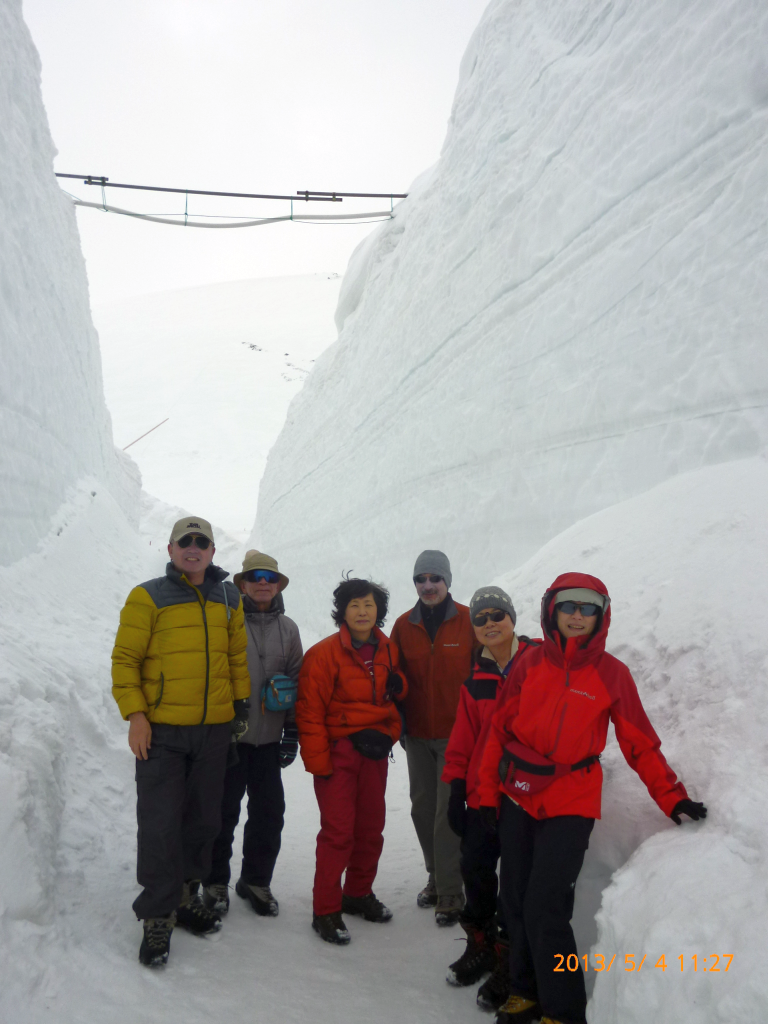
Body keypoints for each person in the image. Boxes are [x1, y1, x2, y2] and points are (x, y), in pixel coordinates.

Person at [477, 573, 707, 1024]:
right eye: (569, 606)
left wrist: (672, 798)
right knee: (516, 898)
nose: (577, 616)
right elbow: (498, 732)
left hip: (571, 800)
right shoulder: (528, 664)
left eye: (588, 608)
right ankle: (525, 991)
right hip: (519, 794)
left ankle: (563, 1011)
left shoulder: (611, 674)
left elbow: (639, 741)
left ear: (601, 615)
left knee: (545, 902)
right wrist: (485, 795)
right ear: (552, 611)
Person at [111, 516, 250, 967]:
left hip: (212, 732)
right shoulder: (147, 595)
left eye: (202, 541)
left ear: (212, 551)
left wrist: (240, 706)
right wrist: (136, 715)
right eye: (185, 541)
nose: (193, 548)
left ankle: (186, 895)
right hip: (164, 732)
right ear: (171, 549)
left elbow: (235, 657)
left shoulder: (229, 596)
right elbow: (125, 659)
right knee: (159, 824)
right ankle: (156, 914)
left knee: (203, 821)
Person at [442, 587, 539, 1009]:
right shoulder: (475, 679)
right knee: (476, 868)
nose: (490, 623)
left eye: (498, 614)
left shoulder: (540, 663)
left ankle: (509, 960)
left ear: (513, 618)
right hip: (483, 795)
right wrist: (456, 788)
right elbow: (463, 740)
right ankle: (480, 944)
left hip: (523, 794)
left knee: (515, 885)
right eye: (481, 618)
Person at [296, 576, 406, 945]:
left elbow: (394, 702)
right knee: (338, 833)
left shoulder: (389, 650)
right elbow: (309, 713)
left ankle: (357, 893)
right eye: (355, 604)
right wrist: (320, 765)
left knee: (370, 829)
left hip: (373, 754)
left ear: (379, 611)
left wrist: (388, 734)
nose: (362, 611)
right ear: (342, 611)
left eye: (369, 605)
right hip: (338, 755)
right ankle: (325, 910)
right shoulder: (323, 654)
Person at [202, 550, 302, 918]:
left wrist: (291, 731)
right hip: (230, 740)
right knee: (222, 813)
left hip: (269, 742)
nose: (263, 583)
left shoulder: (288, 629)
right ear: (242, 584)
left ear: (277, 586)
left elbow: (295, 681)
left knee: (269, 813)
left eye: (270, 578)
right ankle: (215, 881)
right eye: (255, 576)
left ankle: (255, 880)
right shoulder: (225, 620)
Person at [390, 550, 475, 925]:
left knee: (446, 813)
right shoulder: (403, 626)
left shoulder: (469, 620)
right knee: (422, 808)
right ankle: (435, 876)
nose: (427, 586)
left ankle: (451, 892)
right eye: (420, 579)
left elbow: (484, 672)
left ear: (448, 581)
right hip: (418, 735)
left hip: (458, 736)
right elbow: (395, 675)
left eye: (434, 579)